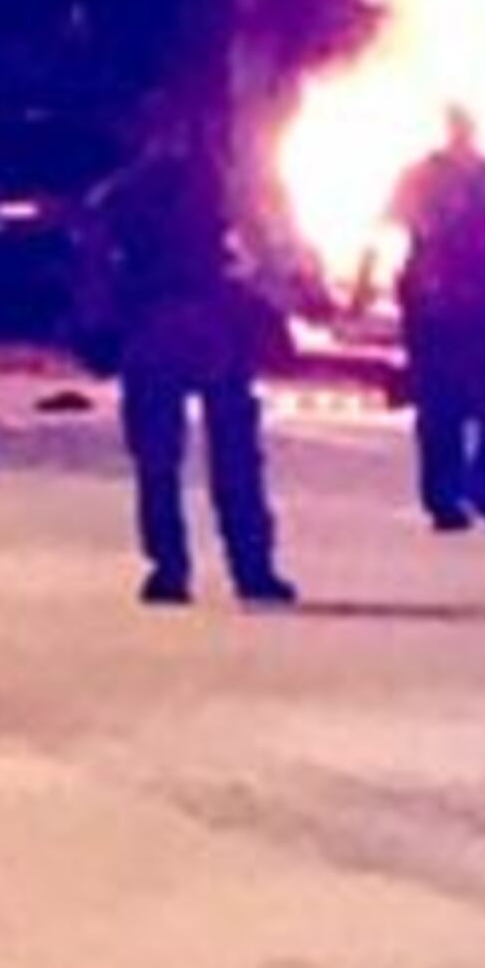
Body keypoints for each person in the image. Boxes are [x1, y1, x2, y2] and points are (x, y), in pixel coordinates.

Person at [81, 119, 296, 610]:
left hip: (161, 328)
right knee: (228, 455)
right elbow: (260, 251)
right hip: (204, 326)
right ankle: (247, 568)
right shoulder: (219, 190)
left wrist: (100, 323)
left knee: (165, 458)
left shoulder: (123, 193)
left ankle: (175, 568)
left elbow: (96, 262)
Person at [389, 111, 485, 533]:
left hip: (466, 297)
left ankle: (457, 491)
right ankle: (464, 489)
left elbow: (402, 224)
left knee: (457, 403)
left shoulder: (482, 177)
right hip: (456, 297)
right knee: (473, 401)